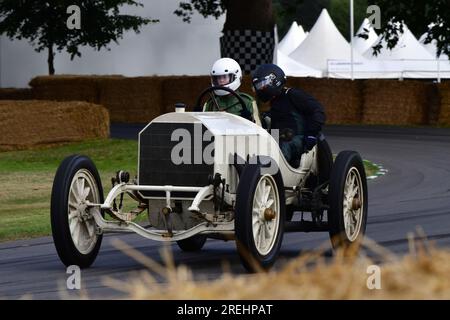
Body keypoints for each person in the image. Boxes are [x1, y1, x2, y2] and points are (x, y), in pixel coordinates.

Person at [251, 63, 326, 168]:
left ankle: (269, 174)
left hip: (299, 138)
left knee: (282, 147)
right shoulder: (275, 102)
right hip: (280, 139)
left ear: (273, 80)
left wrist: (311, 134)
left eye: (261, 85)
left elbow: (317, 111)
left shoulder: (292, 94)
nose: (260, 89)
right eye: (258, 86)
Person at [204, 58, 257, 123]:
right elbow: (201, 128)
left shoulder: (247, 101)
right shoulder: (210, 103)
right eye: (218, 78)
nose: (221, 80)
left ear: (236, 77)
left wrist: (249, 120)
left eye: (225, 77)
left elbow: (259, 129)